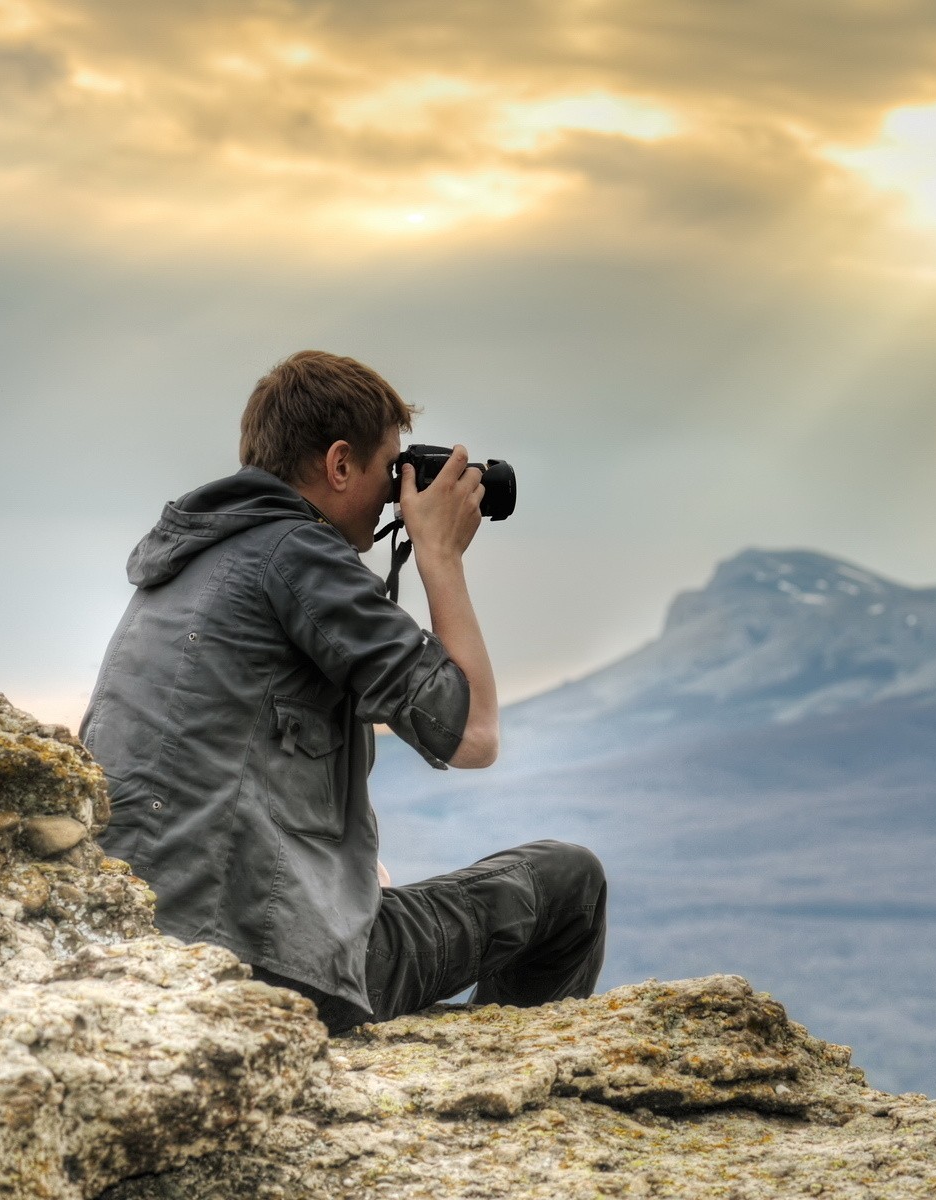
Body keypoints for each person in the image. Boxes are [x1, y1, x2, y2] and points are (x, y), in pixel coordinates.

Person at [80, 349, 606, 1033]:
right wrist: (439, 556)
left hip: (148, 947)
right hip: (263, 965)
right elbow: (474, 734)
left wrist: (346, 877)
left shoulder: (189, 561)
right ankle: (502, 1081)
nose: (398, 490)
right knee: (568, 882)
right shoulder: (297, 555)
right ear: (337, 465)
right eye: (391, 468)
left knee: (387, 910)